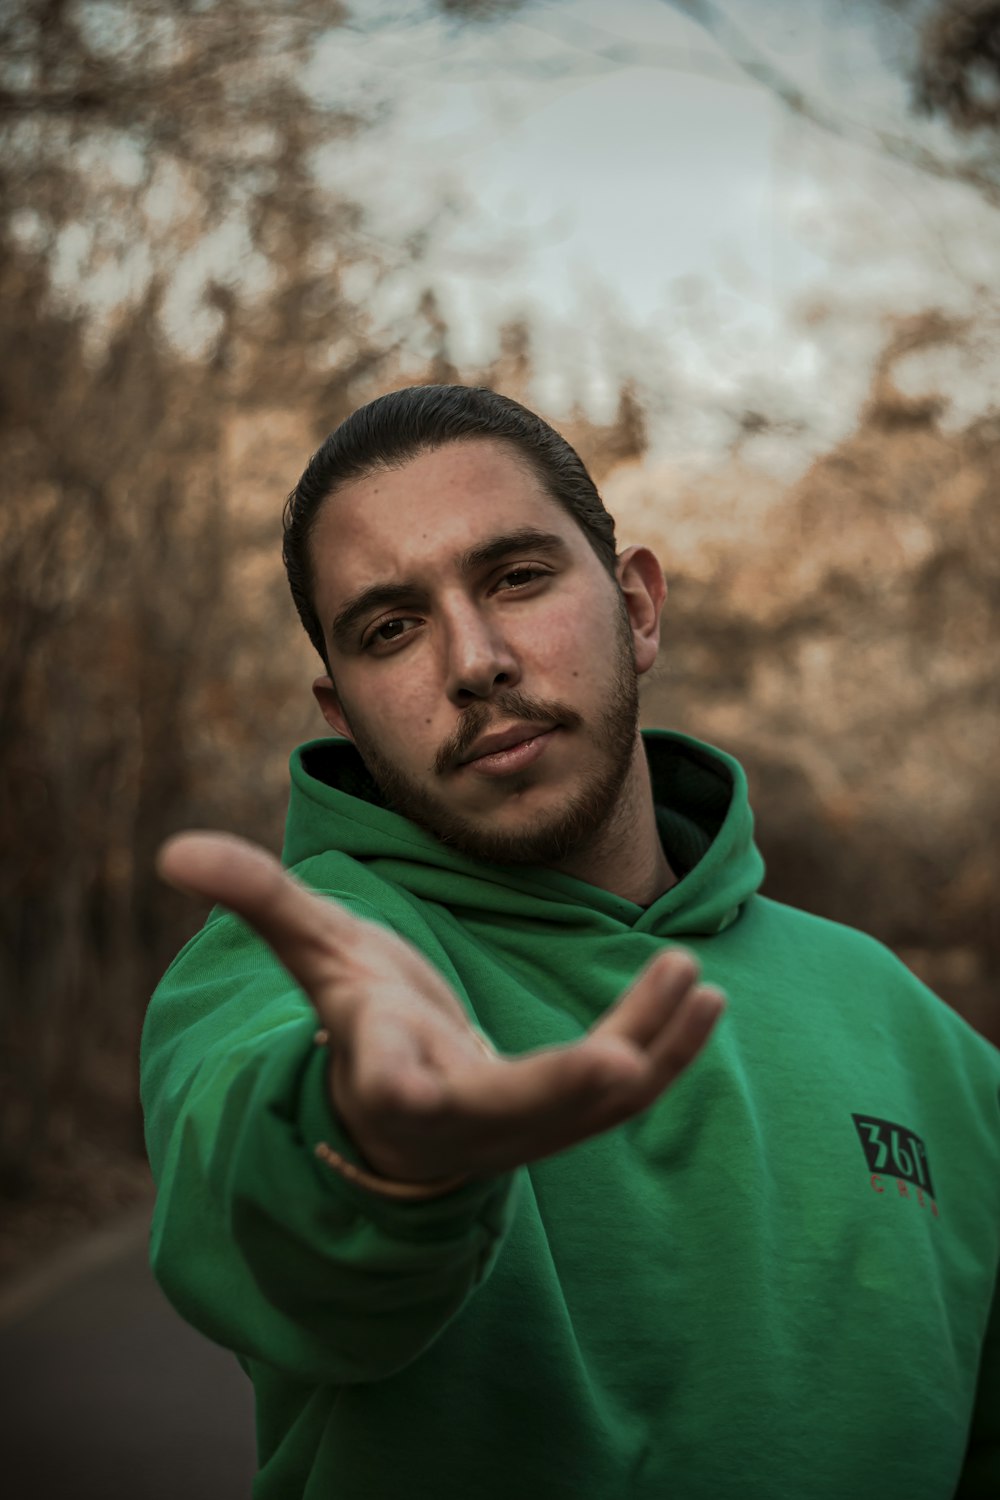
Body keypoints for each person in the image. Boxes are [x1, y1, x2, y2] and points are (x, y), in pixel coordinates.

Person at [141, 385, 999, 1500]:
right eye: (390, 627)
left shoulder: (910, 1028)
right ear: (341, 709)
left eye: (517, 577)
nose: (475, 660)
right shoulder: (295, 966)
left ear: (637, 608)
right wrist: (379, 1149)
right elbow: (260, 1223)